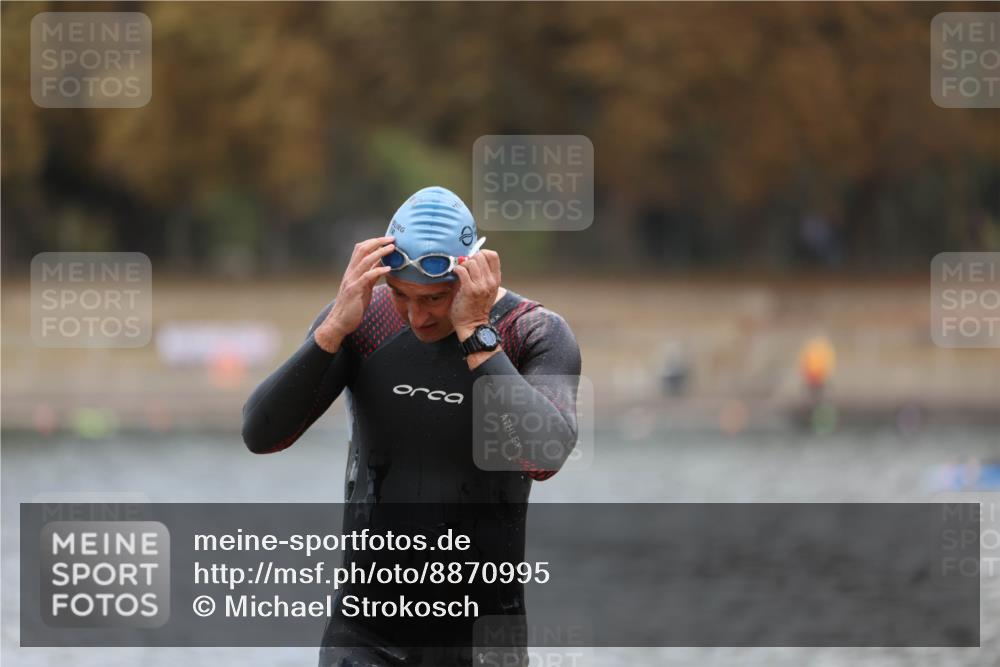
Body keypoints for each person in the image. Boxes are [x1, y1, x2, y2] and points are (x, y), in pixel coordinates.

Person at [241, 186, 582, 666]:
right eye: (401, 295)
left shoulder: (533, 332)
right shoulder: (363, 321)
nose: (417, 316)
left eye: (436, 298)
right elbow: (261, 434)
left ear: (469, 276)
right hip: (363, 637)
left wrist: (475, 335)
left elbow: (544, 457)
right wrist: (334, 326)